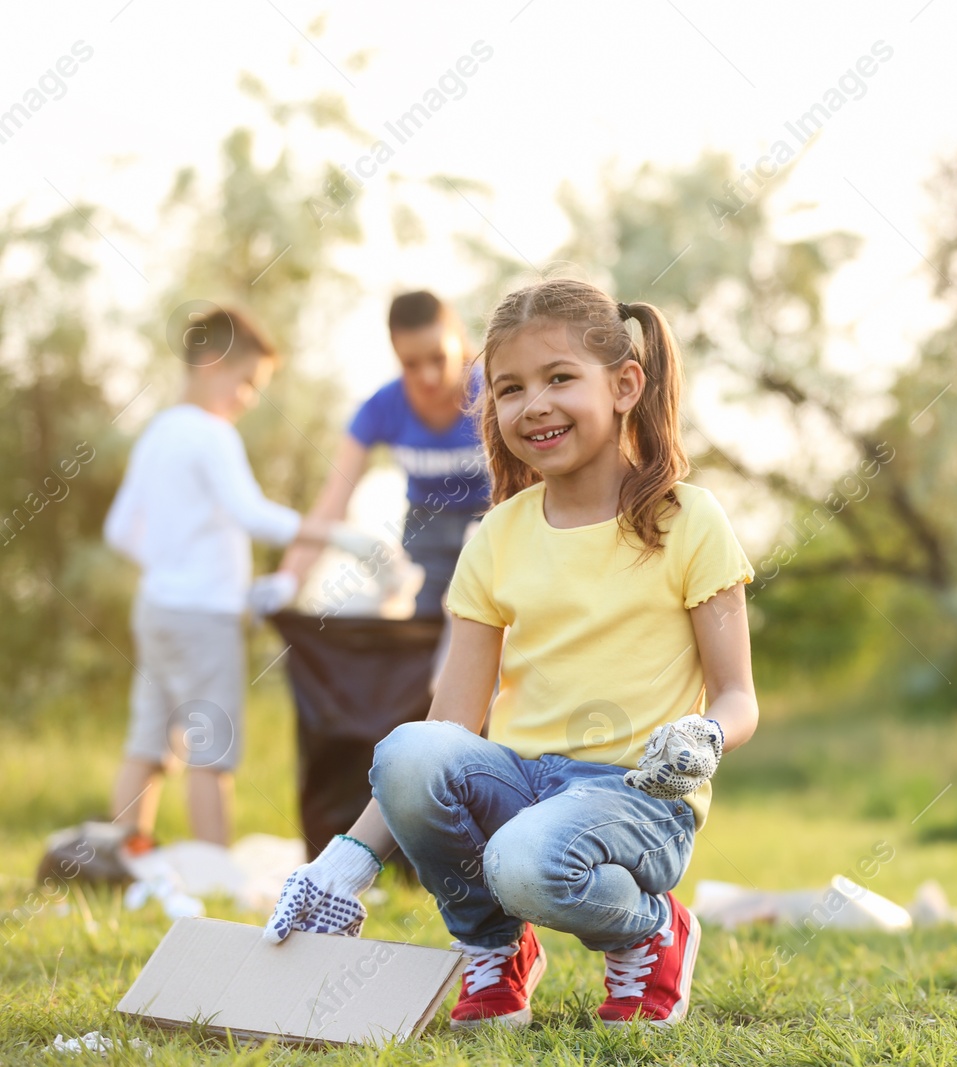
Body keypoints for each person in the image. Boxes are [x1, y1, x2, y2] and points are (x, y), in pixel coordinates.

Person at [262, 279, 759, 1030]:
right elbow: (447, 729)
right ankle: (496, 951)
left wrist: (708, 734)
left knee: (521, 860)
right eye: (510, 388)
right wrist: (346, 862)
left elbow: (738, 695)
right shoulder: (496, 536)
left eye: (560, 378)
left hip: (635, 797)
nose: (534, 405)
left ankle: (651, 929)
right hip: (524, 784)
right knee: (407, 752)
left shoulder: (686, 520)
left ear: (625, 384)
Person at [103, 308, 380, 849]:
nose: (250, 397)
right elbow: (252, 514)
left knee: (148, 741)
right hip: (204, 617)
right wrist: (334, 535)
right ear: (212, 362)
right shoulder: (212, 435)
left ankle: (120, 860)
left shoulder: (157, 430)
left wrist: (170, 562)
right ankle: (215, 874)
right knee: (211, 750)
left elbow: (118, 529)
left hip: (157, 610)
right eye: (248, 381)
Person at [268, 291, 489, 618]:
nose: (427, 376)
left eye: (438, 358)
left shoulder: (494, 392)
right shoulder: (380, 409)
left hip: (490, 523)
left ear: (459, 341)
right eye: (410, 364)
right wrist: (286, 582)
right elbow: (332, 504)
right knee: (421, 634)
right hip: (425, 531)